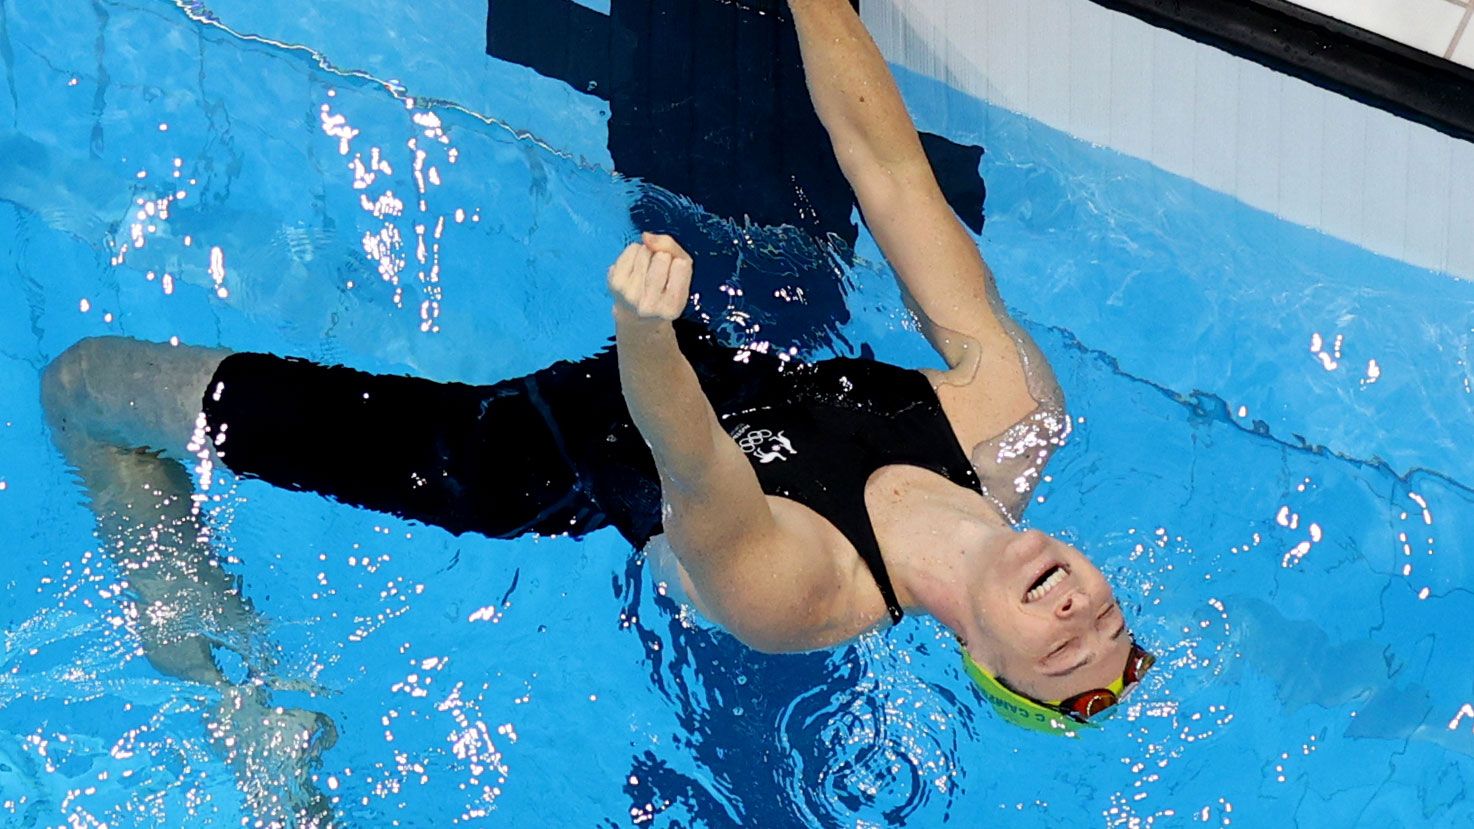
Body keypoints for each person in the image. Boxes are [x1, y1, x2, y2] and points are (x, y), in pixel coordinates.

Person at [41, 0, 1150, 744]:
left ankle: (208, 652)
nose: (1088, 626)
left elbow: (687, 456)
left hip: (547, 452)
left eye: (1072, 669)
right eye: (1118, 632)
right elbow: (892, 177)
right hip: (729, 335)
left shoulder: (800, 598)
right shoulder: (1015, 416)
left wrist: (643, 327)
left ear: (988, 664)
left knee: (85, 386)